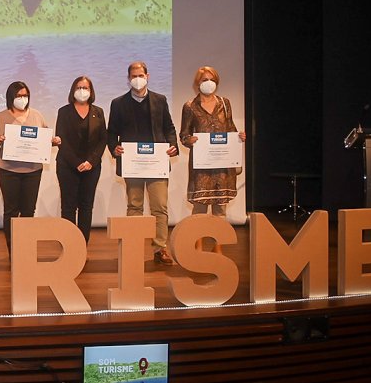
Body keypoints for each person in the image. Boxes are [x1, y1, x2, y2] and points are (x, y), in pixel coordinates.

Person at [108, 61, 179, 265]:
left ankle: (160, 248)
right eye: (133, 75)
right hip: (133, 163)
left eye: (141, 75)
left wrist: (172, 145)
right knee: (134, 205)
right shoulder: (118, 103)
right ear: (128, 78)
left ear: (147, 76)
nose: (137, 79)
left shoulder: (160, 100)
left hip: (157, 163)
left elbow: (169, 128)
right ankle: (134, 246)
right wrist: (115, 147)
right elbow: (111, 132)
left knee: (159, 207)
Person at [179, 66, 246, 253]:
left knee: (220, 209)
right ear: (197, 84)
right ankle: (198, 247)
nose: (208, 83)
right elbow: (183, 135)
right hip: (201, 166)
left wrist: (239, 137)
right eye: (203, 80)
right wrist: (188, 140)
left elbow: (231, 128)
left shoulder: (225, 103)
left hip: (223, 164)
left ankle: (219, 248)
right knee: (200, 208)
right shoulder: (190, 106)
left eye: (211, 79)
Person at [0, 81, 61, 254]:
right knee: (11, 211)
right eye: (19, 96)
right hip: (8, 170)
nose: (22, 99)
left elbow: (44, 141)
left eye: (25, 96)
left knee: (29, 210)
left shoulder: (37, 115)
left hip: (32, 171)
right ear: (10, 97)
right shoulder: (0, 117)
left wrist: (52, 142)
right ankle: (12, 250)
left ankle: (26, 249)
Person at [54, 76, 108, 244]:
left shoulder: (98, 112)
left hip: (92, 167)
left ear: (91, 91)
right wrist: (76, 163)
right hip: (67, 166)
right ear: (72, 90)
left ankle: (83, 244)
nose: (82, 91)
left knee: (86, 207)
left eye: (85, 88)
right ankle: (69, 245)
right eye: (79, 87)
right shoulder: (64, 111)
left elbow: (103, 139)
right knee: (68, 207)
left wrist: (91, 161)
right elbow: (61, 140)